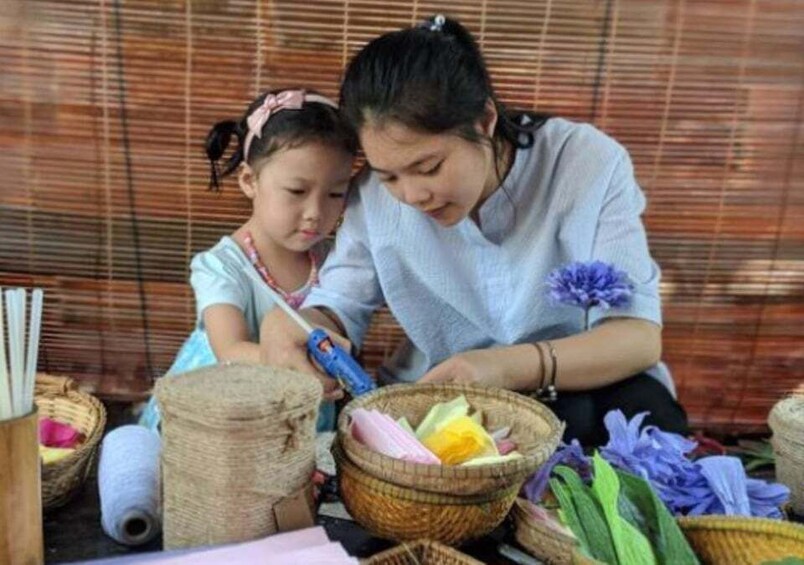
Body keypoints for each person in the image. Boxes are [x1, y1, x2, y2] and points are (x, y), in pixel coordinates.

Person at [260, 16, 688, 445]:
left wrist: (503, 367)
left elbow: (637, 338)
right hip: (446, 401)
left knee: (634, 428)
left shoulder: (585, 164)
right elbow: (338, 307)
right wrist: (296, 324)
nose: (411, 195)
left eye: (428, 167)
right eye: (388, 175)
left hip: (587, 383)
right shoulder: (372, 197)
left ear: (484, 120)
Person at [139, 88, 356, 432]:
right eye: (297, 192)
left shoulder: (336, 263)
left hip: (297, 414)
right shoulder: (223, 266)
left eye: (335, 194)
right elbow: (229, 348)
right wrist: (292, 363)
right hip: (222, 408)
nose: (316, 213)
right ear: (249, 180)